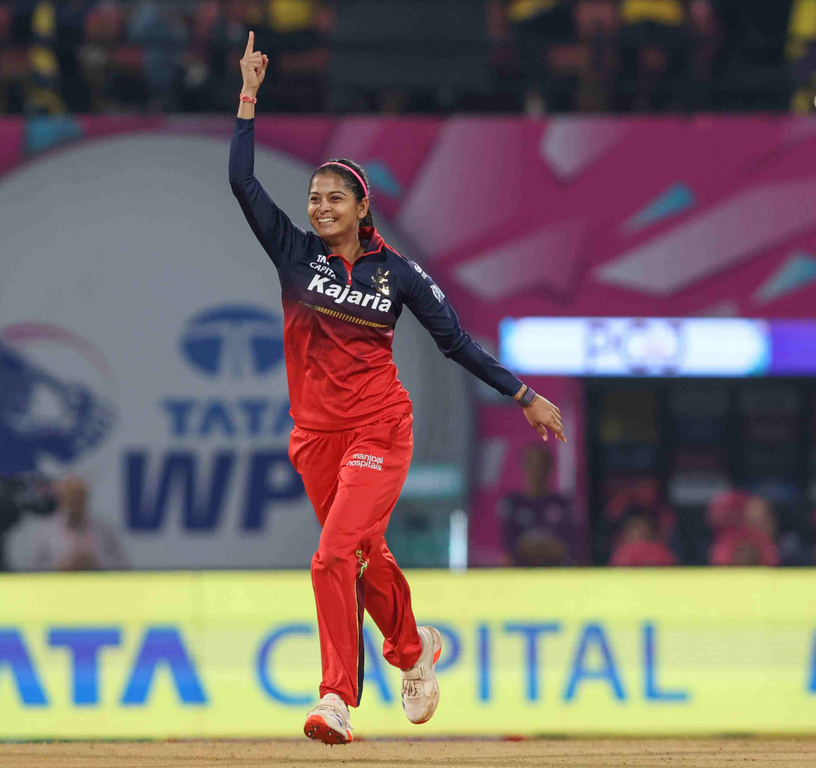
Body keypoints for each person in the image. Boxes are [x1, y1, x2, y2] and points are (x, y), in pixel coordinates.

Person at [229, 31, 566, 745]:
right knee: (364, 553)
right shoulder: (293, 255)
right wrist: (248, 98)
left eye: (333, 198)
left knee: (331, 556)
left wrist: (522, 394)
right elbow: (243, 184)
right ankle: (414, 649)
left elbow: (456, 342)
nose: (319, 208)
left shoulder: (399, 275)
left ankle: (335, 699)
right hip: (314, 437)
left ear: (362, 206)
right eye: (314, 198)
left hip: (380, 428)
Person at [499, 444, 585, 566]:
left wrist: (545, 548)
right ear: (523, 467)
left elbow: (571, 546)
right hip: (520, 569)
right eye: (532, 465)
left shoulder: (564, 504)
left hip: (556, 568)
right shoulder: (512, 503)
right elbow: (507, 545)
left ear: (550, 468)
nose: (537, 471)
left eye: (541, 466)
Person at [27, 476, 128, 571]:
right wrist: (59, 567)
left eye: (78, 497)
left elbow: (123, 566)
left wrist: (97, 563)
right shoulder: (45, 532)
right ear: (60, 500)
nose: (74, 502)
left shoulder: (104, 530)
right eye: (70, 497)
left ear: (85, 498)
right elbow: (31, 571)